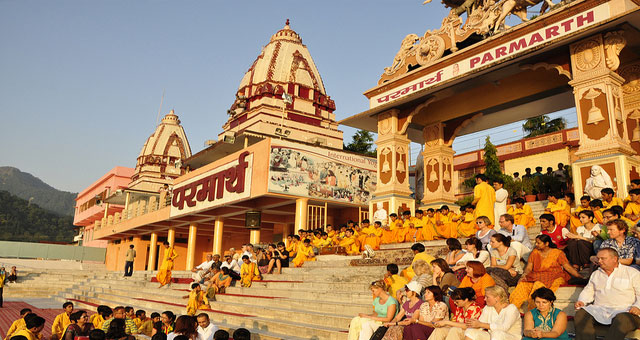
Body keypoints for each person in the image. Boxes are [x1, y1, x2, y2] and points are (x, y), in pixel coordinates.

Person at [574, 247, 640, 340]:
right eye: (598, 258)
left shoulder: (632, 273)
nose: (599, 261)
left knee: (622, 319)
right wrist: (582, 301)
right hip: (600, 309)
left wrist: (637, 307)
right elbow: (589, 290)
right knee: (581, 314)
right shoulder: (596, 274)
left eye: (603, 258)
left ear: (615, 259)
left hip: (626, 311)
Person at [509, 234, 583, 310]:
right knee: (522, 284)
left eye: (538, 243)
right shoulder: (535, 252)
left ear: (547, 244)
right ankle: (513, 310)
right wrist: (524, 275)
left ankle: (533, 311)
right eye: (536, 243)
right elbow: (528, 267)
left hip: (555, 276)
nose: (536, 245)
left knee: (538, 285)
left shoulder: (557, 253)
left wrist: (580, 276)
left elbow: (568, 267)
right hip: (537, 276)